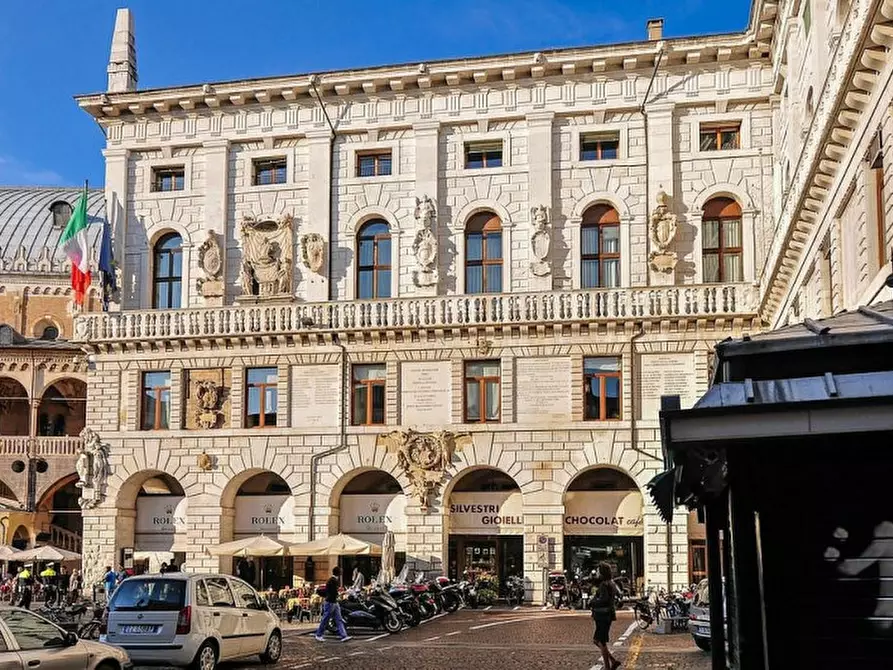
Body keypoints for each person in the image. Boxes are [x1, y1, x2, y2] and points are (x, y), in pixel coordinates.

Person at [590, 562, 620, 670]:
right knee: (597, 640)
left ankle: (608, 666)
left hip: (602, 615)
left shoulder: (604, 584)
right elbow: (617, 595)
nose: (597, 572)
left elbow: (604, 599)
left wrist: (592, 601)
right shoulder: (611, 583)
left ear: (602, 572)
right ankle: (613, 661)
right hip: (608, 614)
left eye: (598, 570)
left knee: (600, 641)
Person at [314, 566, 350, 642]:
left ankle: (344, 636)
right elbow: (333, 592)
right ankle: (318, 634)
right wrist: (341, 593)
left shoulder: (331, 580)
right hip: (331, 602)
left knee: (338, 619)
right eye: (340, 571)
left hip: (333, 602)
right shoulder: (333, 581)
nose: (341, 572)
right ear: (338, 573)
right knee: (326, 619)